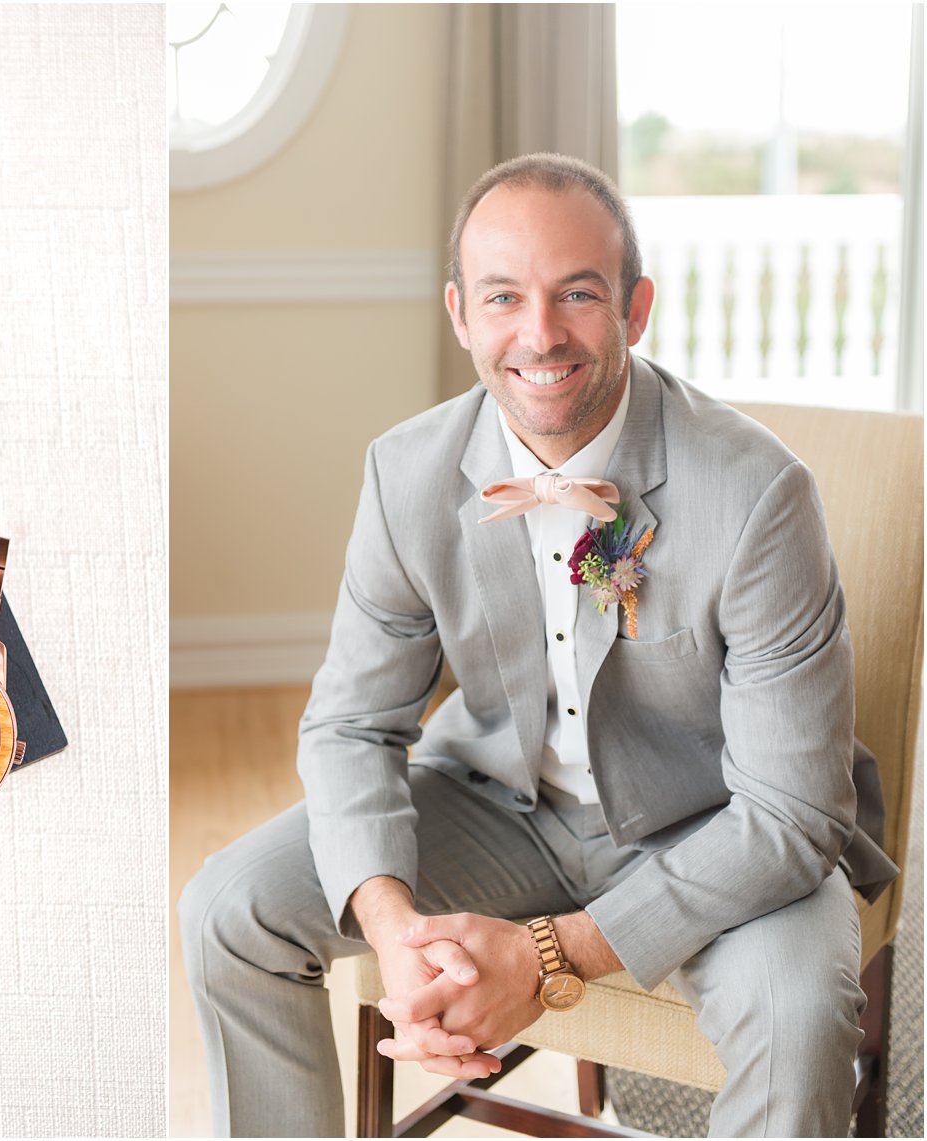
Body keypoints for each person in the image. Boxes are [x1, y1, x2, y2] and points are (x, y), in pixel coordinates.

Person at [178, 152, 897, 1139]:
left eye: (577, 295)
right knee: (228, 909)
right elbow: (349, 724)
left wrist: (546, 955)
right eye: (503, 297)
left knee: (798, 1015)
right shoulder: (405, 473)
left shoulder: (758, 495)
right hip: (497, 807)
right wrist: (395, 934)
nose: (539, 333)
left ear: (634, 309)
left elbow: (789, 810)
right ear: (459, 313)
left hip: (719, 825)